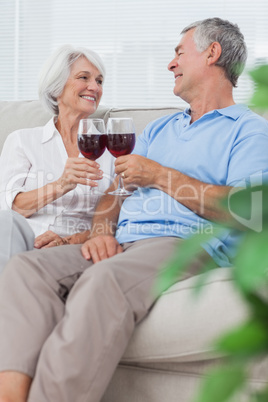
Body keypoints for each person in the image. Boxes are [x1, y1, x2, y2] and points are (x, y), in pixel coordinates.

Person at [0, 17, 268, 402]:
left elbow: (251, 210)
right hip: (124, 242)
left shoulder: (248, 130)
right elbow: (113, 192)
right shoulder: (160, 129)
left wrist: (160, 176)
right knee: (26, 270)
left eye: (179, 53)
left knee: (103, 281)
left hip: (182, 242)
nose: (170, 64)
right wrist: (101, 231)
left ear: (212, 53)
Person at [0, 44, 115, 271]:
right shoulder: (23, 141)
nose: (94, 87)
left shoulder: (111, 150)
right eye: (84, 77)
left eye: (99, 81)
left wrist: (73, 239)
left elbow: (118, 213)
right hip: (20, 239)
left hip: (72, 246)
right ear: (56, 88)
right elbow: (11, 207)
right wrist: (61, 185)